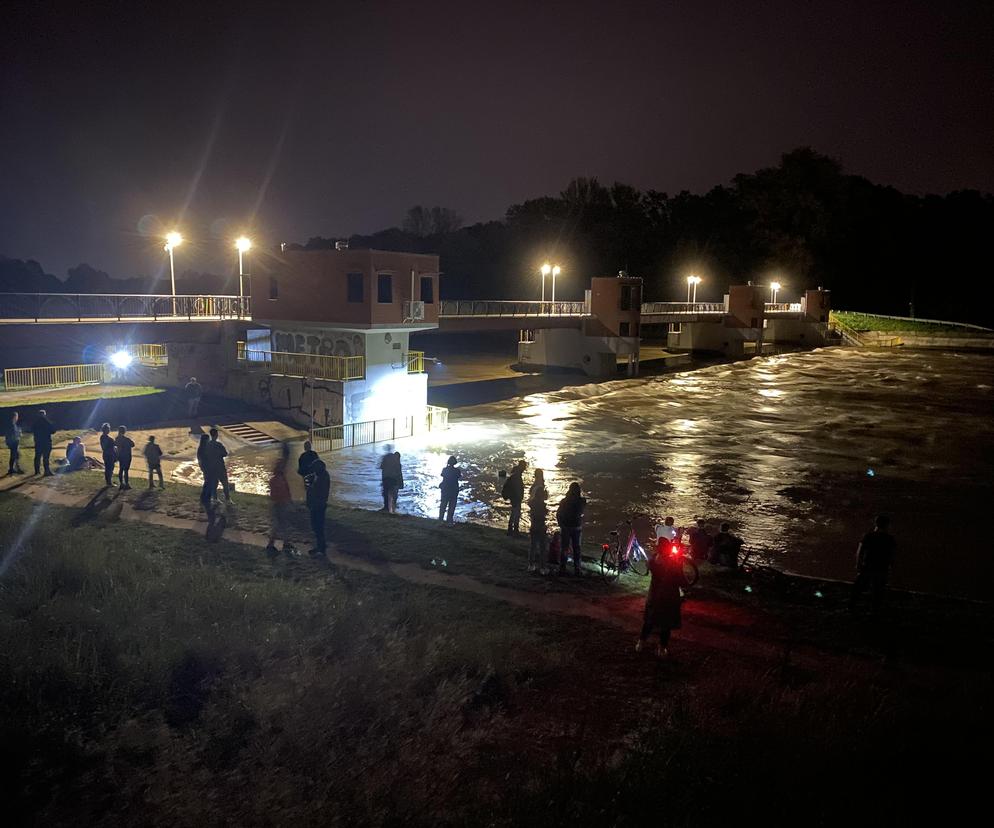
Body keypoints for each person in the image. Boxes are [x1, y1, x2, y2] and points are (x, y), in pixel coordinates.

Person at [636, 542, 692, 659]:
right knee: (666, 625)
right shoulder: (674, 565)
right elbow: (683, 582)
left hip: (654, 596)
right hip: (669, 599)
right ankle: (662, 648)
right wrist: (680, 565)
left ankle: (640, 643)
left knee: (649, 621)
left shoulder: (652, 561)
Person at [849, 515, 897, 614]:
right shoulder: (890, 539)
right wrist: (891, 568)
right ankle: (874, 610)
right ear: (888, 525)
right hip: (881, 567)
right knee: (878, 590)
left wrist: (858, 564)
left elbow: (860, 551)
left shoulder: (869, 536)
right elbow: (892, 555)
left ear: (876, 523)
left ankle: (851, 606)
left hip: (868, 565)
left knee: (858, 587)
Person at [266, 443, 293, 556]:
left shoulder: (279, 479)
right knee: (279, 525)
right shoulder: (277, 481)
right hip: (279, 504)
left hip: (281, 503)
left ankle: (284, 543)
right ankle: (272, 544)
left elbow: (285, 490)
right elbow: (279, 494)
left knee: (282, 524)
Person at [556, 482, 587, 576]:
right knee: (577, 549)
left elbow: (558, 514)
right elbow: (583, 509)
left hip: (566, 527)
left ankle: (562, 568)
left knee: (564, 548)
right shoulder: (581, 501)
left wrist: (561, 524)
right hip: (576, 527)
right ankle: (577, 569)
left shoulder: (564, 501)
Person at [306, 457, 331, 556]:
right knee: (316, 527)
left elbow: (318, 491)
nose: (313, 471)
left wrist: (310, 487)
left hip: (319, 505)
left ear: (319, 468)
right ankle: (320, 546)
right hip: (316, 505)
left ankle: (321, 549)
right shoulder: (320, 475)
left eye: (314, 469)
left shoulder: (323, 478)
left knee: (318, 527)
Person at [502, 460, 527, 536]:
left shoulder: (515, 474)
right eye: (524, 466)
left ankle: (511, 529)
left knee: (514, 513)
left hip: (514, 497)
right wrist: (519, 496)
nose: (525, 468)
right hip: (516, 497)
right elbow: (517, 487)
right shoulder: (517, 475)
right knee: (516, 514)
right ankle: (514, 530)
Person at [205, 427, 231, 501]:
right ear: (216, 435)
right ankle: (227, 499)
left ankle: (215, 499)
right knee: (225, 483)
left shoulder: (207, 445)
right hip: (220, 466)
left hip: (211, 467)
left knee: (214, 484)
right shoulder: (219, 444)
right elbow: (225, 454)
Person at [528, 489, 549, 573]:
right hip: (541, 527)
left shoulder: (532, 503)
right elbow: (542, 515)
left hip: (533, 526)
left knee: (533, 546)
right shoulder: (541, 505)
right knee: (542, 548)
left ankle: (531, 565)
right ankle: (543, 567)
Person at [31, 409, 56, 476]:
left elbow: (32, 430)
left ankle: (37, 471)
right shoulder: (47, 422)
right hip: (46, 442)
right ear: (44, 414)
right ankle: (46, 471)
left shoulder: (35, 423)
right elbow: (53, 430)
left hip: (38, 442)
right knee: (46, 457)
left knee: (37, 457)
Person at [378, 446, 403, 513]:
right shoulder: (398, 463)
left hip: (386, 478)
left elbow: (381, 467)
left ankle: (386, 508)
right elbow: (399, 473)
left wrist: (382, 480)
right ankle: (393, 509)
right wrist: (400, 484)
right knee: (394, 494)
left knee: (386, 493)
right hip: (393, 479)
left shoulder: (386, 457)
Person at [438, 455, 460, 524]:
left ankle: (440, 520)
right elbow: (458, 477)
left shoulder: (445, 469)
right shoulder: (457, 471)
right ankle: (449, 521)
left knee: (443, 505)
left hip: (445, 489)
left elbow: (443, 476)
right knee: (452, 506)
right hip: (454, 489)